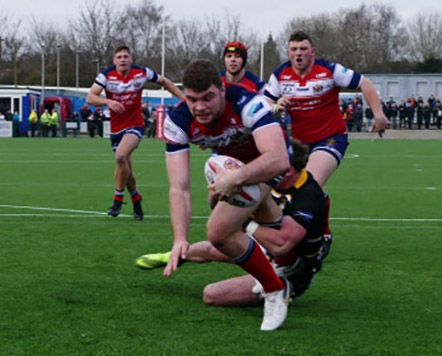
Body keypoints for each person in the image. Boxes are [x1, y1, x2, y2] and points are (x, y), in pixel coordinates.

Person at [162, 59, 291, 330]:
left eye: (208, 97)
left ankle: (274, 288)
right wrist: (179, 239)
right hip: (229, 165)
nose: (199, 107)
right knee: (258, 219)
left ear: (222, 89)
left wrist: (235, 178)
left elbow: (278, 158)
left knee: (218, 231)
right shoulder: (177, 120)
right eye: (192, 99)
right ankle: (286, 260)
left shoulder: (247, 103)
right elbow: (179, 187)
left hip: (266, 161)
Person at [136, 141, 326, 307]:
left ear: (289, 169)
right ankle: (172, 256)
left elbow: (282, 244)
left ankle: (281, 289)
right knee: (212, 247)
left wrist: (245, 223)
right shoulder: (270, 180)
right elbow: (218, 209)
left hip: (292, 266)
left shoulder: (309, 195)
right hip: (266, 246)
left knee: (211, 295)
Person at [264, 30, 389, 256]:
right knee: (283, 187)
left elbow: (365, 83)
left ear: (313, 51)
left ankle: (321, 236)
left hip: (330, 138)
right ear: (288, 52)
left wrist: (378, 114)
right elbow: (265, 103)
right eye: (294, 49)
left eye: (303, 49)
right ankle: (285, 234)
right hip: (298, 145)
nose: (298, 53)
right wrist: (275, 106)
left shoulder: (329, 70)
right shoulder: (280, 75)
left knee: (308, 184)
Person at [86, 45, 183, 220]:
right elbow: (90, 97)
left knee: (120, 157)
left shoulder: (141, 73)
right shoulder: (106, 76)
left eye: (126, 56)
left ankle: (117, 199)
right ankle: (136, 200)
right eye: (119, 57)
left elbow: (165, 82)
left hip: (134, 125)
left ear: (131, 59)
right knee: (127, 168)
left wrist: (184, 100)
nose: (123, 59)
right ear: (114, 61)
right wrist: (107, 101)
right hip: (116, 128)